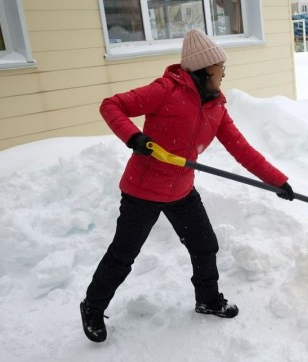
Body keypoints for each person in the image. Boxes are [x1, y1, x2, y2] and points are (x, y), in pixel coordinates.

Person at [80, 28, 295, 343]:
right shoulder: (166, 90)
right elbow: (111, 105)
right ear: (206, 69)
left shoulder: (216, 107)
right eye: (221, 67)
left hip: (181, 191)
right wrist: (135, 138)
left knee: (205, 245)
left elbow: (242, 149)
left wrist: (277, 181)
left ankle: (207, 299)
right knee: (123, 254)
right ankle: (92, 306)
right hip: (143, 191)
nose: (224, 73)